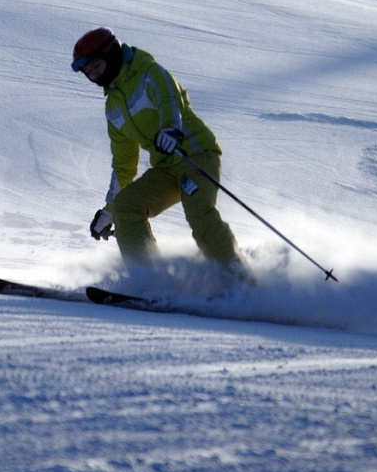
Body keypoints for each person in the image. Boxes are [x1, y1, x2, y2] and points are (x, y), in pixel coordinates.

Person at [72, 27, 250, 283]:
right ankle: (150, 282)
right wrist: (110, 211)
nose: (94, 76)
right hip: (166, 167)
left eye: (96, 67)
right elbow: (124, 165)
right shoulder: (113, 107)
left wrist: (170, 129)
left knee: (200, 214)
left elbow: (171, 101)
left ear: (110, 55)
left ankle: (239, 283)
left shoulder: (147, 72)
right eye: (88, 73)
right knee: (126, 207)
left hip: (196, 154)